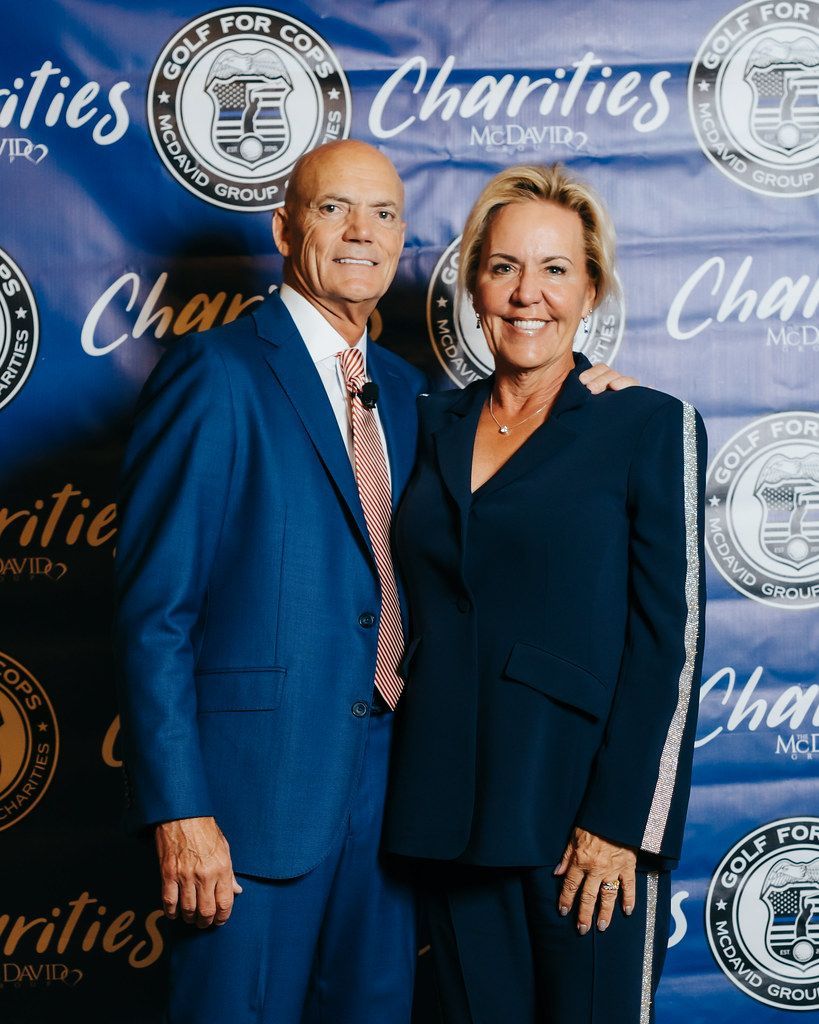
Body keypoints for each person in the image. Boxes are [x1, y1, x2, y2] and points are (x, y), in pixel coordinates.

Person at [114, 140, 631, 1024]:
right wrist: (182, 811)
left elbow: (516, 450)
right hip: (250, 812)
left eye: (385, 214)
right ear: (283, 227)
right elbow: (156, 614)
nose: (362, 233)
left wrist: (584, 389)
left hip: (394, 810)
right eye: (332, 209)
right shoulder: (216, 374)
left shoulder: (409, 392)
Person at [383, 163, 707, 1024]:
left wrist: (621, 826)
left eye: (555, 269)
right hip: (445, 813)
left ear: (591, 287)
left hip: (578, 825)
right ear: (472, 284)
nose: (528, 293)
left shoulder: (642, 423)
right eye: (503, 268)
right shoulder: (427, 423)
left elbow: (666, 648)